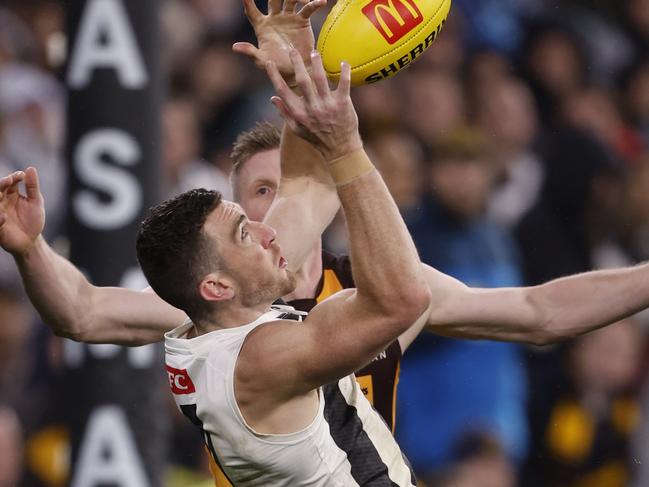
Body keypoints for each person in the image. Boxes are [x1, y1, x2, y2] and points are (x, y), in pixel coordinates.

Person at [141, 50, 432, 485]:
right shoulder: (265, 358)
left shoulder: (205, 329)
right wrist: (346, 147)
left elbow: (301, 192)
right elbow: (404, 298)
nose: (268, 232)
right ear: (217, 286)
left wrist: (299, 66)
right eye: (244, 233)